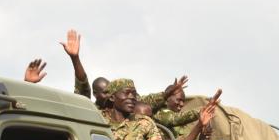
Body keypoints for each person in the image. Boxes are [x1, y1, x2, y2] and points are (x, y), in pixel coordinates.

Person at [58, 29, 186, 115]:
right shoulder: (92, 112)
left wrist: (167, 93)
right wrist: (75, 58)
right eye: (104, 93)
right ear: (96, 95)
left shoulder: (122, 108)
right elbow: (82, 86)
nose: (108, 94)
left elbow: (147, 100)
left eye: (110, 91)